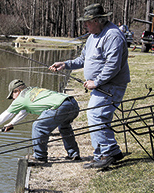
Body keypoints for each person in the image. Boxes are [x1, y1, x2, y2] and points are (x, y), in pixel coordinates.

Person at [49, 3, 130, 169]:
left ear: (97, 20)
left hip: (111, 86)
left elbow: (113, 65)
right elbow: (82, 60)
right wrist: (65, 64)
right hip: (102, 87)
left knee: (97, 116)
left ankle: (110, 152)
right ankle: (101, 154)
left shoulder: (113, 36)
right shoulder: (93, 36)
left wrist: (96, 81)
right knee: (95, 116)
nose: (84, 25)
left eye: (87, 21)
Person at [0, 79, 80, 163]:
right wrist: (11, 123)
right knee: (64, 127)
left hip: (60, 107)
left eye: (12, 96)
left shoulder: (21, 98)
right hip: (72, 103)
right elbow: (24, 112)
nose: (13, 99)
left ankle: (40, 157)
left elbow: (7, 113)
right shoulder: (32, 91)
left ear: (17, 91)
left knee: (38, 126)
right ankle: (73, 153)